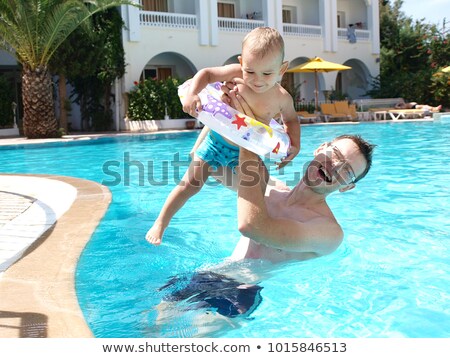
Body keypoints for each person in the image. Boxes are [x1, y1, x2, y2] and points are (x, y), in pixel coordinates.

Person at [146, 27, 300, 246]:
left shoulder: (281, 98)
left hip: (248, 153)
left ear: (282, 69)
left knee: (262, 187)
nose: (257, 80)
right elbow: (207, 74)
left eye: (267, 73)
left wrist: (295, 144)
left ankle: (257, 234)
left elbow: (291, 120)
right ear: (241, 62)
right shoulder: (236, 74)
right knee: (190, 184)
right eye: (250, 71)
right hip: (216, 143)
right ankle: (161, 222)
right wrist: (193, 94)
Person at [227, 89, 376, 262]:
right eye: (335, 153)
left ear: (346, 186)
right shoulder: (271, 187)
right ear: (320, 149)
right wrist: (224, 110)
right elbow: (209, 165)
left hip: (244, 288)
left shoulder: (329, 232)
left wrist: (248, 136)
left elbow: (252, 227)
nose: (336, 166)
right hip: (206, 276)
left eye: (347, 171)